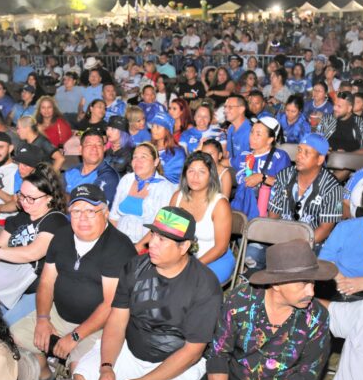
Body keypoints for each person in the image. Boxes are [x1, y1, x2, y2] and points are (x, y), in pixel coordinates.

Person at [73, 206, 222, 380]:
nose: (151, 242)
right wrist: (106, 366)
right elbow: (117, 320)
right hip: (134, 345)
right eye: (153, 233)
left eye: (163, 239)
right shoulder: (136, 266)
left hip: (177, 360)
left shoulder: (205, 285)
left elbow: (192, 352)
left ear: (185, 247)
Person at [175, 240, 335, 380]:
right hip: (235, 377)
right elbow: (219, 354)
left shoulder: (316, 318)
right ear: (277, 284)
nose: (311, 291)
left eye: (312, 282)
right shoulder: (239, 302)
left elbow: (306, 377)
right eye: (303, 283)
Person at [9, 184, 136, 380]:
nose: (82, 218)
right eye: (76, 211)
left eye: (90, 211)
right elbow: (47, 282)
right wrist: (43, 319)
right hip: (58, 315)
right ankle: (45, 377)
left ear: (105, 212)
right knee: (15, 336)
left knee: (80, 371)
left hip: (100, 326)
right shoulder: (62, 236)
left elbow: (111, 304)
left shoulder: (118, 247)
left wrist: (75, 336)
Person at [0, 167, 69, 326]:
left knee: (5, 327)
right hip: (9, 279)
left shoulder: (56, 221)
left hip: (36, 288)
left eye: (31, 198)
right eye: (21, 196)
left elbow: (32, 253)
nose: (24, 202)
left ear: (48, 198)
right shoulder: (20, 217)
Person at [170, 151, 234, 282]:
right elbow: (168, 233)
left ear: (211, 176)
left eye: (202, 172)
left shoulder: (220, 204)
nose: (195, 177)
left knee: (188, 284)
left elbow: (221, 248)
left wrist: (191, 266)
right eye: (191, 171)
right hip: (183, 257)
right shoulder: (177, 197)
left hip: (215, 259)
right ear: (185, 174)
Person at [268, 133, 343, 245]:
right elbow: (273, 217)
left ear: (320, 159)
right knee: (253, 252)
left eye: (306, 153)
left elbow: (324, 230)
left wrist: (297, 247)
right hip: (280, 238)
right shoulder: (283, 176)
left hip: (311, 244)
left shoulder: (332, 187)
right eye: (299, 150)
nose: (299, 156)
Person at [110, 142, 175, 249]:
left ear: (156, 162)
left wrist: (136, 249)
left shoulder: (165, 188)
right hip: (119, 243)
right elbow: (113, 218)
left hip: (147, 247)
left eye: (143, 157)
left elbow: (160, 227)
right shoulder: (126, 180)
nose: (137, 161)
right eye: (135, 157)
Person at [231, 116, 290, 219]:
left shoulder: (279, 157)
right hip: (241, 210)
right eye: (252, 132)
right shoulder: (244, 155)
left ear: (270, 139)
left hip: (267, 213)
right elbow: (222, 163)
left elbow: (287, 185)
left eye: (258, 134)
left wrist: (262, 177)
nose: (252, 137)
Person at [63, 128, 120, 206]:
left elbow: (89, 206)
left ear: (104, 149)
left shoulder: (108, 176)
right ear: (80, 149)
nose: (94, 148)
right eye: (89, 144)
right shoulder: (71, 171)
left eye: (98, 145)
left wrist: (62, 197)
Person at [150, 110, 186, 184]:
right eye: (153, 126)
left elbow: (173, 179)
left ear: (167, 130)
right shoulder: (149, 148)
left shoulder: (177, 153)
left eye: (158, 127)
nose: (153, 130)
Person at [224, 94, 252, 166]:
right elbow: (229, 154)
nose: (225, 110)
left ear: (241, 109)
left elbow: (250, 160)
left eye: (230, 107)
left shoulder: (251, 131)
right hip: (233, 166)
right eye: (225, 107)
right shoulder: (231, 129)